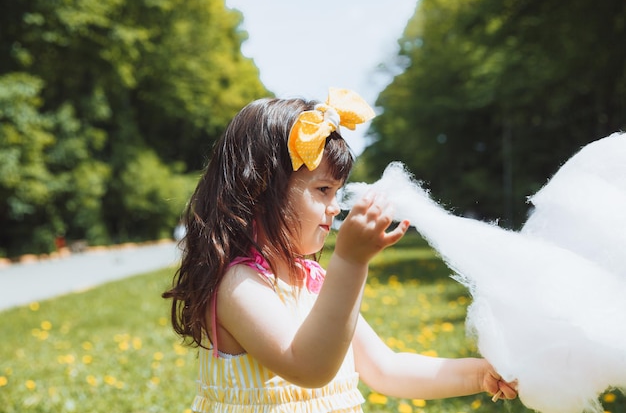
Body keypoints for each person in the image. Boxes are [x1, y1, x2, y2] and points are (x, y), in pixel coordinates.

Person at [162, 88, 517, 412]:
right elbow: (308, 366)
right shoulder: (238, 284)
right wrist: (350, 261)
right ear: (259, 189)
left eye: (337, 192)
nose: (335, 208)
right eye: (322, 190)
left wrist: (478, 374)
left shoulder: (314, 282)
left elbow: (386, 369)